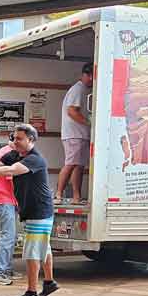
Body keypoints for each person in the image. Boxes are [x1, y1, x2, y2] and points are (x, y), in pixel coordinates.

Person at [0, 123, 58, 296]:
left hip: (39, 211)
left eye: (19, 139)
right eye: (14, 138)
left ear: (30, 140)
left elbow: (11, 170)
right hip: (34, 211)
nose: (14, 141)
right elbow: (0, 165)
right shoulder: (15, 154)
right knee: (43, 247)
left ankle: (31, 293)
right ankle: (49, 282)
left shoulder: (35, 159)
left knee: (33, 252)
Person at [56, 63, 94, 203]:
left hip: (81, 134)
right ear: (83, 74)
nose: (90, 78)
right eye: (88, 75)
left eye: (92, 76)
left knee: (79, 165)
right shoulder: (78, 89)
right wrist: (89, 123)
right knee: (71, 163)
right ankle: (58, 194)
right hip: (74, 134)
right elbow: (71, 111)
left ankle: (76, 197)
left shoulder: (83, 89)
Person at [0, 139, 19, 286]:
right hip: (4, 200)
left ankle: (6, 270)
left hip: (7, 200)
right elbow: (11, 176)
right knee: (8, 236)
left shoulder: (6, 151)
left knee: (11, 236)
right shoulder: (8, 153)